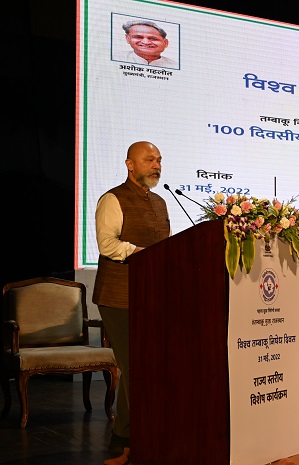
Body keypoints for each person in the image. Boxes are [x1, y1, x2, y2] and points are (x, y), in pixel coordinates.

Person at [92, 141, 171, 458]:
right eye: (149, 159)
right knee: (135, 367)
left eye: (159, 160)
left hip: (153, 294)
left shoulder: (161, 202)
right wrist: (140, 253)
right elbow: (107, 244)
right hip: (118, 295)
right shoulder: (112, 199)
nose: (156, 165)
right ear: (130, 164)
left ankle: (134, 436)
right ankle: (125, 440)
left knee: (149, 366)